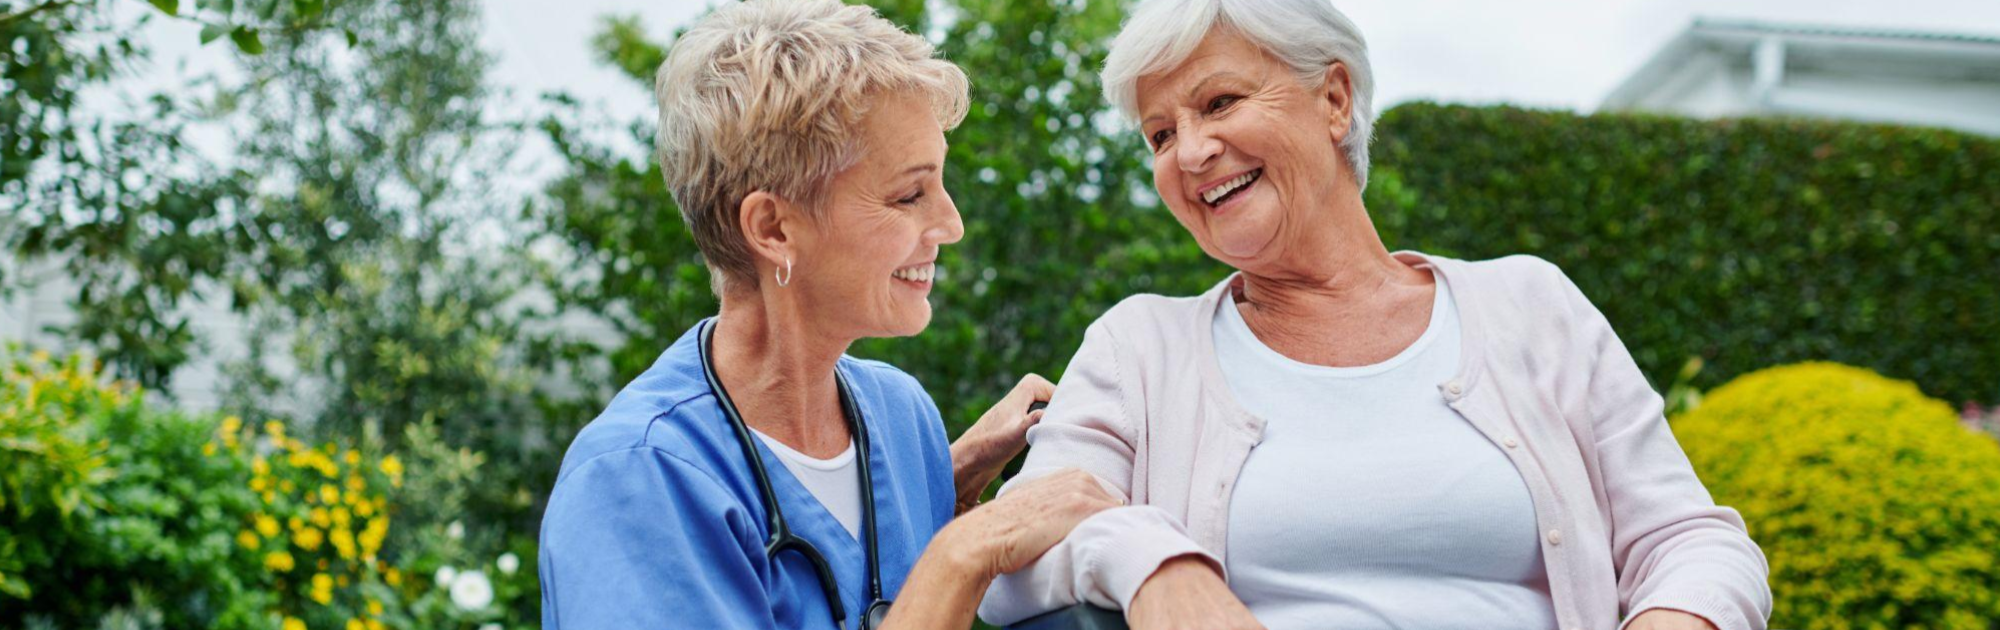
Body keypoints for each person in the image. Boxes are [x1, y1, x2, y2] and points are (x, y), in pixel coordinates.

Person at [976, 0, 1774, 629]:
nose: (1189, 154)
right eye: (1159, 134)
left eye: (1218, 102)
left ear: (1333, 98)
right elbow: (1016, 550)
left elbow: (1692, 539)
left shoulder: (1532, 306)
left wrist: (1677, 617)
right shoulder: (1139, 348)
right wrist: (1159, 565)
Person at [537, 1, 1119, 628]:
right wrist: (961, 555)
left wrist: (942, 494)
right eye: (908, 195)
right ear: (773, 228)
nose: (950, 224)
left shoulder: (902, 420)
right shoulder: (635, 482)